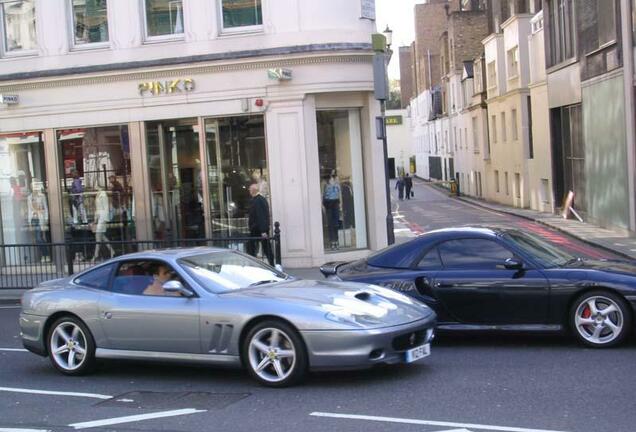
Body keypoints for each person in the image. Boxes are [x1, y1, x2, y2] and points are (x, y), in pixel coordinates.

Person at [247, 183, 274, 266]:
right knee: (265, 247)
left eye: (250, 189)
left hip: (258, 229)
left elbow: (261, 215)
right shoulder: (260, 199)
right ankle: (271, 264)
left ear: (253, 190)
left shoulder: (258, 200)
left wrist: (263, 231)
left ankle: (254, 265)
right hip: (258, 228)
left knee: (254, 247)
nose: (249, 191)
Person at [27, 181, 50, 263]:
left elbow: (46, 207)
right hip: (33, 219)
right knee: (37, 239)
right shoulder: (29, 197)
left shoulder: (42, 196)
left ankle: (46, 255)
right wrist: (29, 222)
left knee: (40, 238)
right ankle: (44, 255)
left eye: (35, 185)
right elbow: (29, 209)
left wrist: (46, 219)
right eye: (33, 186)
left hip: (40, 218)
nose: (34, 187)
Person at [92, 186, 115, 261]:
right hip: (99, 217)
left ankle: (96, 255)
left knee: (98, 236)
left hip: (102, 217)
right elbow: (97, 208)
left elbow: (106, 207)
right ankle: (111, 251)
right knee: (102, 237)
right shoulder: (98, 195)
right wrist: (95, 219)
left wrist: (105, 219)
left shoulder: (103, 195)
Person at [322, 171, 341, 250]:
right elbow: (322, 194)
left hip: (336, 203)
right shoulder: (324, 183)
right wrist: (322, 206)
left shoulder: (337, 182)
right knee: (330, 224)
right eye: (331, 174)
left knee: (336, 223)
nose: (332, 176)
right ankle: (332, 242)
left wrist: (341, 205)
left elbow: (339, 194)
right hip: (328, 203)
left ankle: (336, 241)